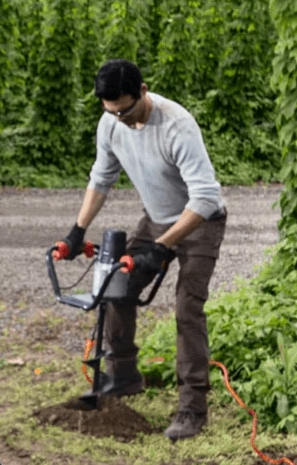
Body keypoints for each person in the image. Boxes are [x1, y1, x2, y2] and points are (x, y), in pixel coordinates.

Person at [55, 59, 227, 442]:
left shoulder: (176, 125)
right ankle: (124, 376)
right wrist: (76, 229)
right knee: (117, 286)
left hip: (201, 222)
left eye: (127, 111)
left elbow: (205, 197)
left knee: (187, 307)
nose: (122, 121)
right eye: (112, 113)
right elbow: (102, 178)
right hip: (157, 218)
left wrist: (162, 248)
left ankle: (192, 407)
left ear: (143, 91)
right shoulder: (111, 123)